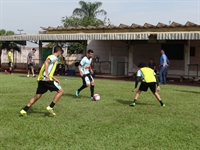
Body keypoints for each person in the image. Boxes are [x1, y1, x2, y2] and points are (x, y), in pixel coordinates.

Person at [20, 46, 64, 116]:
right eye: (61, 52)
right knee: (61, 91)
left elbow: (49, 71)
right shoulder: (54, 57)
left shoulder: (51, 57)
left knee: (37, 96)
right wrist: (46, 75)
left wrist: (55, 79)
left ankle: (24, 110)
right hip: (46, 79)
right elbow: (46, 62)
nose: (60, 54)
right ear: (59, 52)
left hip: (42, 79)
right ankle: (50, 107)